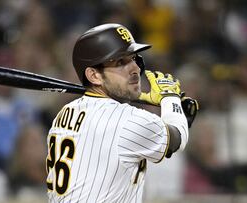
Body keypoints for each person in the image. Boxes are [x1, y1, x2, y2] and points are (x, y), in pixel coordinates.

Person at [45, 23, 196, 202]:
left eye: (134, 59)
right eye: (120, 62)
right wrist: (171, 99)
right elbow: (177, 139)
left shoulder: (65, 112)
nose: (136, 69)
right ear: (94, 75)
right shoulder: (127, 120)